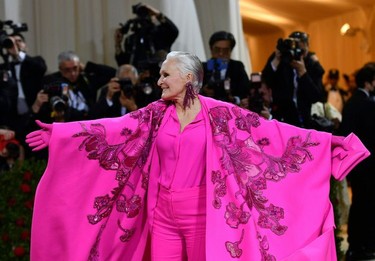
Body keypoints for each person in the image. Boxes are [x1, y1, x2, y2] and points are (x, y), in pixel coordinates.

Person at [26, 51, 369, 261]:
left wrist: (332, 144)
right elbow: (115, 128)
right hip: (162, 215)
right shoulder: (153, 114)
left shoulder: (221, 114)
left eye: (165, 74)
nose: (158, 81)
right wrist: (60, 135)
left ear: (188, 78)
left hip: (204, 214)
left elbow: (273, 134)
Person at [339, 64, 375, 261]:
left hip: (355, 163)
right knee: (367, 205)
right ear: (368, 82)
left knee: (359, 203)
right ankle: (365, 245)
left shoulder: (352, 101)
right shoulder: (367, 103)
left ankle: (356, 244)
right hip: (368, 164)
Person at [262, 31, 325, 128]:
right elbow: (266, 79)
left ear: (308, 47)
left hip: (305, 120)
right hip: (282, 118)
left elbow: (317, 96)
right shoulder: (282, 60)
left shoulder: (313, 65)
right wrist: (277, 59)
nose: (297, 53)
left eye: (301, 50)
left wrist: (303, 73)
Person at [38, 51, 116, 122]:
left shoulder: (86, 79)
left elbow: (112, 73)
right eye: (67, 70)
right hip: (67, 123)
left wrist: (87, 67)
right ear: (60, 69)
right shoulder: (52, 81)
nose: (72, 73)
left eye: (75, 68)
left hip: (90, 122)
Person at [114, 3, 179, 68]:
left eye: (148, 15)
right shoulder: (131, 39)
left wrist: (158, 14)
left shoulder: (160, 34)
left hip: (160, 73)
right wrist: (118, 44)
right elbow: (123, 65)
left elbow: (174, 31)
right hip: (139, 76)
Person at [200, 31, 250, 105]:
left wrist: (234, 99)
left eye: (225, 51)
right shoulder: (202, 67)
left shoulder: (237, 67)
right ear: (211, 49)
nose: (221, 53)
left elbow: (245, 91)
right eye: (217, 50)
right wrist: (203, 91)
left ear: (230, 51)